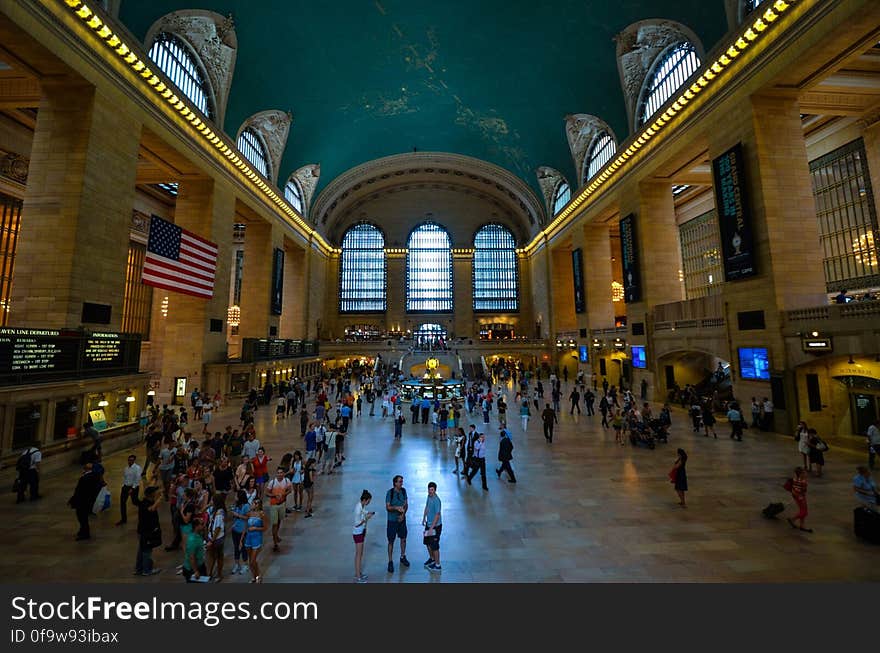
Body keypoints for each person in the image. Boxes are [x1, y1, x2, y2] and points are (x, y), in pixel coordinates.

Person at [133, 484, 163, 576]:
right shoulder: (146, 504)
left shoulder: (145, 501)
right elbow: (152, 509)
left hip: (143, 531)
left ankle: (138, 569)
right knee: (147, 551)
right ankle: (146, 570)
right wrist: (159, 499)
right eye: (155, 493)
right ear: (152, 494)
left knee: (141, 550)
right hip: (146, 531)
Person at [69, 462, 103, 541]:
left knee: (81, 517)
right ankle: (82, 531)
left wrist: (73, 500)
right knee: (83, 517)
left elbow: (79, 491)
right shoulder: (95, 475)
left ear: (85, 469)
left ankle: (85, 533)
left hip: (82, 501)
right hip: (89, 500)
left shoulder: (84, 478)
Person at [385, 475, 410, 572]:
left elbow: (406, 504)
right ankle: (390, 561)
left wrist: (403, 514)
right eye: (400, 481)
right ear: (395, 483)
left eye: (402, 481)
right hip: (392, 521)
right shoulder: (389, 493)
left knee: (403, 538)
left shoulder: (403, 491)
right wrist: (396, 508)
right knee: (391, 541)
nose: (401, 483)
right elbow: (388, 507)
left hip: (402, 520)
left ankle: (403, 556)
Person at [265, 467, 292, 552]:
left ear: (284, 474)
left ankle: (276, 535)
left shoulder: (287, 481)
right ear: (276, 474)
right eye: (278, 473)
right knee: (274, 524)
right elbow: (267, 493)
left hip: (282, 504)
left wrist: (284, 494)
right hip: (274, 505)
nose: (280, 474)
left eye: (281, 473)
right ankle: (275, 542)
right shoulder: (272, 483)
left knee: (279, 521)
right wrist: (274, 496)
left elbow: (290, 490)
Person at [352, 490, 375, 583]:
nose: (369, 503)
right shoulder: (358, 508)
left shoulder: (361, 505)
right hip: (358, 533)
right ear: (365, 500)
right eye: (368, 501)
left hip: (362, 531)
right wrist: (366, 518)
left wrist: (369, 513)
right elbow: (357, 523)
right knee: (358, 554)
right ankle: (357, 576)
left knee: (360, 554)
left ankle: (359, 573)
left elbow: (364, 511)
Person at [243, 498, 268, 583]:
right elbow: (245, 525)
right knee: (250, 561)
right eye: (253, 503)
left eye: (256, 503)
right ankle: (254, 576)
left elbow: (265, 528)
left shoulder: (262, 514)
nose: (254, 505)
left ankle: (258, 575)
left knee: (253, 559)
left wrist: (255, 528)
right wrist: (241, 539)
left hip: (257, 538)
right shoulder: (249, 513)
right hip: (249, 538)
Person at [421, 482, 442, 573]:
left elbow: (437, 516)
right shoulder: (428, 497)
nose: (430, 491)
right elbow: (427, 507)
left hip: (435, 527)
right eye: (429, 490)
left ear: (435, 490)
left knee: (435, 546)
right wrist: (423, 518)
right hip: (428, 525)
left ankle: (437, 565)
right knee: (427, 543)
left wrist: (431, 529)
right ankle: (432, 559)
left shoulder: (437, 500)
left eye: (432, 490)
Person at [205, 492, 226, 581]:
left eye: (212, 500)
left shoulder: (220, 513)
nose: (210, 501)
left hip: (217, 538)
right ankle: (209, 572)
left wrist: (212, 540)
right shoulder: (213, 509)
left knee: (218, 556)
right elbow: (202, 511)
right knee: (211, 555)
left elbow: (218, 528)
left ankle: (219, 574)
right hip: (211, 536)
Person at [116, 455, 142, 526]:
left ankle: (143, 506)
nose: (130, 461)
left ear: (134, 460)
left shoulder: (137, 468)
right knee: (122, 503)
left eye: (131, 460)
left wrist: (132, 488)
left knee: (135, 501)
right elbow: (125, 478)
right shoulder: (126, 468)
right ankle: (123, 519)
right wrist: (123, 486)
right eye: (129, 460)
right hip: (125, 487)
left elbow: (137, 479)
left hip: (133, 487)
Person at [230, 490, 251, 575]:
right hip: (235, 529)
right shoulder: (236, 505)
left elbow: (247, 518)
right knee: (236, 547)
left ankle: (246, 564)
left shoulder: (246, 506)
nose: (235, 497)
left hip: (243, 530)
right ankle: (237, 564)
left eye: (236, 496)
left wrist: (237, 515)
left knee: (242, 547)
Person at [786, 467, 812, 533]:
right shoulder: (803, 481)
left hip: (795, 496)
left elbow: (793, 488)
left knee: (802, 510)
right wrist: (801, 498)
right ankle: (792, 519)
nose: (806, 474)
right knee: (804, 512)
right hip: (800, 497)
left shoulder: (795, 479)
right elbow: (803, 491)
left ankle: (802, 525)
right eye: (804, 473)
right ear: (801, 474)